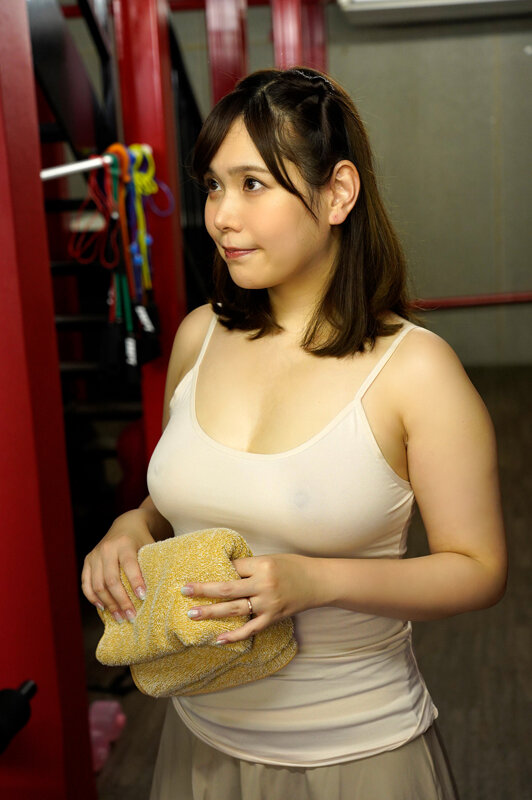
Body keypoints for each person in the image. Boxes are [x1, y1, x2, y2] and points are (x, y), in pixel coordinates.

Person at [82, 68, 507, 799]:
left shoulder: (415, 371)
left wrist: (317, 580)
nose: (222, 216)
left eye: (252, 184)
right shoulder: (199, 337)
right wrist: (134, 524)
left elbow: (477, 568)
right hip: (198, 743)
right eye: (213, 186)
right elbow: (190, 497)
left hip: (355, 753)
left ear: (338, 193)